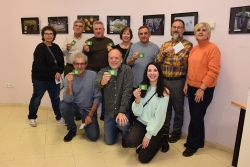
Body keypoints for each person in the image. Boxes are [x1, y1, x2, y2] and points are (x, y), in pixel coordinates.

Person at [182, 22, 221, 157]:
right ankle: (199, 142)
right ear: (195, 33)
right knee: (196, 117)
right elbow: (190, 69)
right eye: (198, 30)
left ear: (208, 33)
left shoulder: (212, 48)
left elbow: (213, 71)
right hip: (192, 87)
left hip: (204, 89)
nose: (201, 32)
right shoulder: (195, 49)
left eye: (204, 30)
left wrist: (202, 88)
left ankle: (192, 146)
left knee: (196, 118)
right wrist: (187, 83)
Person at [155, 19, 193, 148]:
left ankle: (176, 132)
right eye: (174, 27)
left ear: (183, 30)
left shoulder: (187, 44)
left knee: (178, 108)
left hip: (178, 81)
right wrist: (166, 52)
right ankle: (165, 130)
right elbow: (157, 60)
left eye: (179, 27)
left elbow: (180, 62)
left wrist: (166, 55)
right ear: (171, 29)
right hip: (164, 79)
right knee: (165, 107)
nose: (176, 29)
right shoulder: (165, 44)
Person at [125, 62, 170, 164]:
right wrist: (137, 100)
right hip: (141, 122)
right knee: (130, 142)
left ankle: (162, 140)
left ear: (159, 73)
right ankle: (144, 140)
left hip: (155, 126)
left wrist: (148, 135)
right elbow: (137, 113)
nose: (152, 73)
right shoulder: (142, 87)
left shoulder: (164, 92)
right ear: (146, 73)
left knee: (143, 159)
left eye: (155, 70)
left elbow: (159, 117)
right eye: (149, 70)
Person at [95, 49, 133, 148]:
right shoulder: (104, 71)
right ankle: (116, 129)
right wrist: (103, 82)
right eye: (111, 58)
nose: (113, 60)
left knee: (123, 125)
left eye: (116, 58)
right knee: (108, 141)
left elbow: (127, 92)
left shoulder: (127, 70)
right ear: (108, 60)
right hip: (110, 111)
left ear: (121, 60)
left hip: (123, 109)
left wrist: (122, 111)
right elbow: (96, 83)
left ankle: (124, 134)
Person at [60, 52, 102, 142]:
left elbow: (97, 97)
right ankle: (72, 129)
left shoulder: (93, 75)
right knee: (63, 106)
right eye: (77, 64)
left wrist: (90, 115)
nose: (79, 66)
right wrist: (70, 84)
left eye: (82, 63)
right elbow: (67, 100)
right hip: (74, 107)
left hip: (88, 110)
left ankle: (86, 120)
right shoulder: (69, 77)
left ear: (86, 64)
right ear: (73, 65)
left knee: (94, 137)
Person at [28, 26, 65, 127]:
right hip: (40, 79)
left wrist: (59, 72)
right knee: (36, 98)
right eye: (47, 34)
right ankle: (32, 117)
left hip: (54, 79)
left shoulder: (56, 47)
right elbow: (40, 66)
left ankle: (59, 117)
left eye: (51, 34)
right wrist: (54, 74)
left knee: (55, 99)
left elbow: (61, 62)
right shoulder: (40, 48)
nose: (49, 36)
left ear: (54, 36)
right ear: (43, 35)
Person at [126, 26, 159, 124]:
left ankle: (144, 127)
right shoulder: (134, 46)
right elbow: (128, 63)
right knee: (134, 106)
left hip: (149, 85)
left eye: (145, 33)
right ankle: (133, 127)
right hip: (135, 83)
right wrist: (133, 59)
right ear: (138, 35)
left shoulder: (155, 48)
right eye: (141, 34)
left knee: (146, 108)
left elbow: (158, 68)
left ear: (149, 34)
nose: (143, 35)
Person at [83, 21, 114, 121]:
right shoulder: (89, 41)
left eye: (100, 29)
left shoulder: (109, 41)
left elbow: (113, 56)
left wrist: (111, 51)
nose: (98, 31)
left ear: (103, 30)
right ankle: (92, 113)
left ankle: (104, 114)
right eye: (96, 29)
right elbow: (85, 55)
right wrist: (86, 50)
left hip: (105, 72)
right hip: (92, 72)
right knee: (93, 94)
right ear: (93, 30)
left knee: (106, 94)